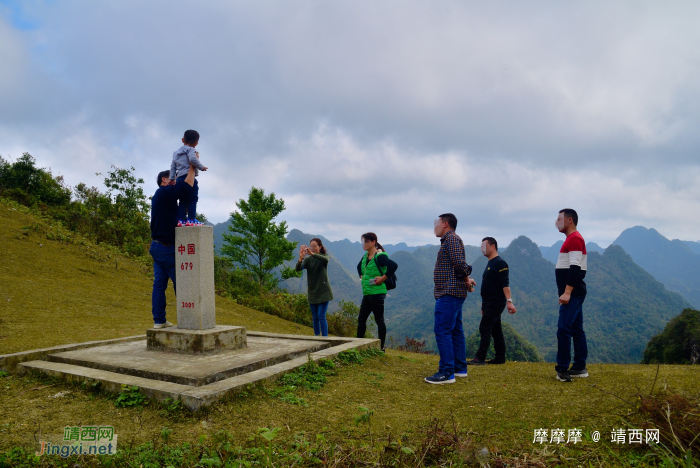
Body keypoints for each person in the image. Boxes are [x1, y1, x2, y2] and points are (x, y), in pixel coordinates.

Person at [425, 213, 475, 384]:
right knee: (455, 330)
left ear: (445, 224)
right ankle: (459, 368)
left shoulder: (451, 239)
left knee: (442, 330)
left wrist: (467, 274)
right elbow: (458, 266)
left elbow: (460, 265)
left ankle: (447, 372)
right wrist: (467, 280)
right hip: (454, 291)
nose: (434, 227)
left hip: (449, 292)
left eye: (436, 224)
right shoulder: (450, 240)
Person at [150, 161, 196, 328]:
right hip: (167, 248)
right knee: (182, 282)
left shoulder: (160, 196)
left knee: (160, 284)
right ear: (165, 179)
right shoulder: (164, 193)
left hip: (157, 246)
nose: (176, 180)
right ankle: (188, 320)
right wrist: (192, 167)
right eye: (174, 177)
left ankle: (159, 320)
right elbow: (185, 188)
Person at [467, 237, 516, 366]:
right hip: (489, 303)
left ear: (493, 246)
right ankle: (500, 357)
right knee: (496, 330)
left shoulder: (500, 263)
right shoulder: (491, 263)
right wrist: (484, 305)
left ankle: (480, 358)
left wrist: (509, 301)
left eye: (484, 246)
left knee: (485, 328)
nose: (482, 248)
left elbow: (505, 284)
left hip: (495, 302)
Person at [554, 208, 589, 382]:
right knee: (576, 329)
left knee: (564, 329)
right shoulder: (572, 239)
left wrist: (567, 292)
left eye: (559, 219)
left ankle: (562, 368)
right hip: (575, 292)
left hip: (573, 294)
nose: (556, 222)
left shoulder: (574, 239)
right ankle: (580, 366)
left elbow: (575, 267)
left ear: (569, 220)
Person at [356, 232, 398, 352]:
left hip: (377, 293)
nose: (363, 244)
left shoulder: (379, 256)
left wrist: (383, 278)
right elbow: (359, 267)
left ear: (373, 242)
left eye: (366, 241)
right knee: (361, 320)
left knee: (379, 320)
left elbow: (393, 265)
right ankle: (358, 345)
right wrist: (361, 276)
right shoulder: (365, 257)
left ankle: (381, 348)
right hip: (368, 293)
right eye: (362, 242)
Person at [295, 238, 334, 337]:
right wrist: (300, 259)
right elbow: (298, 269)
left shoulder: (323, 257)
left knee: (321, 316)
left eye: (315, 246)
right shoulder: (308, 260)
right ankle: (316, 336)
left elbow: (325, 260)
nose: (312, 248)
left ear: (320, 247)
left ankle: (325, 338)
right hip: (312, 292)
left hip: (324, 292)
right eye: (311, 246)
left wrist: (313, 254)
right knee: (315, 317)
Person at [170, 129, 207, 226]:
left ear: (183, 140)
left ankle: (181, 220)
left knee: (183, 200)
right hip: (189, 178)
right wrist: (202, 167)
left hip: (179, 178)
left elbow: (173, 167)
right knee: (193, 198)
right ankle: (191, 219)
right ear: (196, 143)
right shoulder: (191, 150)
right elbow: (193, 159)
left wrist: (172, 178)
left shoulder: (175, 153)